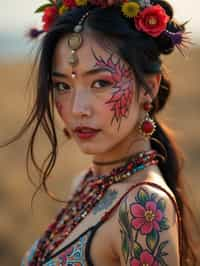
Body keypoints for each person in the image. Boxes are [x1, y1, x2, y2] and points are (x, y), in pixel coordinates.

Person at [7, 0, 198, 265]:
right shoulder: (86, 184)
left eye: (101, 82)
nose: (77, 109)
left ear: (149, 88)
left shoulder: (142, 206)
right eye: (62, 86)